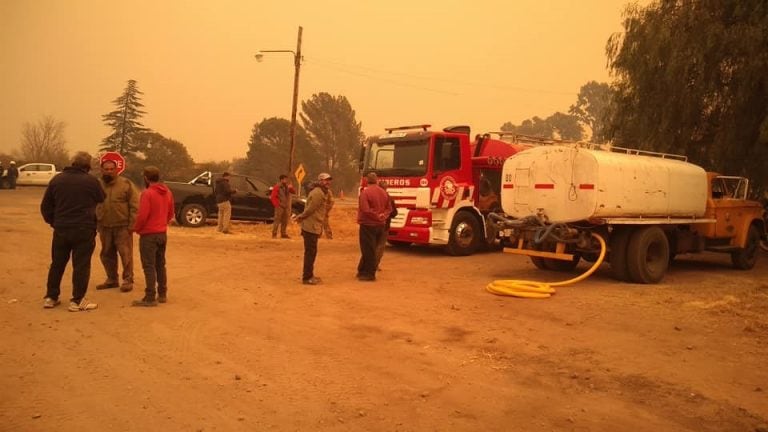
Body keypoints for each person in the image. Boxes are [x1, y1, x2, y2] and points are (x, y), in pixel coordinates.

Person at [40, 152, 105, 312]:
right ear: (87, 166)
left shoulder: (57, 180)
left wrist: (54, 222)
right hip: (84, 229)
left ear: (72, 163)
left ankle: (51, 297)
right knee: (81, 265)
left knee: (57, 264)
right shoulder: (91, 181)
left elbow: (45, 207)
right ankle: (77, 301)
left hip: (61, 228)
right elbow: (101, 198)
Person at [132, 166, 175, 307]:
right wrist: (163, 224)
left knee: (148, 265)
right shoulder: (167, 192)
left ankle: (150, 296)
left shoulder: (147, 193)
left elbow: (142, 215)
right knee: (160, 264)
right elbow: (170, 212)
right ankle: (162, 293)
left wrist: (136, 228)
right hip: (162, 233)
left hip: (149, 234)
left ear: (145, 178)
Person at [95, 160, 139, 292]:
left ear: (117, 170)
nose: (109, 171)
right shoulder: (97, 185)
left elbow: (135, 206)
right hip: (104, 226)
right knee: (106, 254)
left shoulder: (126, 184)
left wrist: (132, 225)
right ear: (102, 170)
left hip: (122, 227)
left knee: (125, 254)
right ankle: (112, 279)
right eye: (106, 169)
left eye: (111, 169)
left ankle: (128, 280)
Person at [294, 172, 332, 285]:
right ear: (320, 181)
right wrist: (300, 217)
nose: (328, 182)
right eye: (326, 180)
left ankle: (309, 275)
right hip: (310, 226)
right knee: (310, 253)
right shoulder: (318, 193)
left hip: (313, 225)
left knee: (311, 252)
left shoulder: (322, 192)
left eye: (329, 180)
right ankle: (307, 277)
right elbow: (310, 209)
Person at [356, 173, 392, 281]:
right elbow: (389, 209)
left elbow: (365, 210)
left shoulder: (365, 193)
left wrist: (376, 216)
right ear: (377, 180)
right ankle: (362, 270)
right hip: (380, 225)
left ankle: (369, 274)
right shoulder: (384, 193)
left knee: (368, 249)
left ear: (367, 181)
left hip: (368, 224)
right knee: (373, 248)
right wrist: (382, 216)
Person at [375, 180, 398, 270]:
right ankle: (375, 264)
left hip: (373, 225)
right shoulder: (389, 198)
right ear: (386, 188)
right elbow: (394, 213)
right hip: (384, 225)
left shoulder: (373, 197)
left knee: (372, 245)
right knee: (380, 247)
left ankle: (369, 263)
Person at [270, 174, 294, 239]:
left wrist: (291, 188)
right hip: (280, 206)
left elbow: (293, 192)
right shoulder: (277, 187)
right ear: (281, 180)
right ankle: (274, 234)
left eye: (286, 179)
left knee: (285, 220)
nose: (286, 180)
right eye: (285, 179)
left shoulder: (287, 187)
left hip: (286, 206)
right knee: (277, 220)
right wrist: (277, 205)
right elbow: (273, 197)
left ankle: (283, 233)